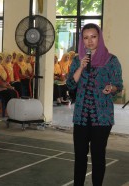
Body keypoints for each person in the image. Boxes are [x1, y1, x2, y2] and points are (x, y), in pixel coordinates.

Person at [66, 23, 123, 186]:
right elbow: (70, 84)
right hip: (81, 117)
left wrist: (111, 88)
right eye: (86, 37)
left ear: (100, 38)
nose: (89, 41)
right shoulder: (78, 60)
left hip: (102, 117)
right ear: (82, 40)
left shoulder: (111, 60)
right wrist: (81, 68)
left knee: (98, 156)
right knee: (80, 156)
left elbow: (119, 85)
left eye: (93, 37)